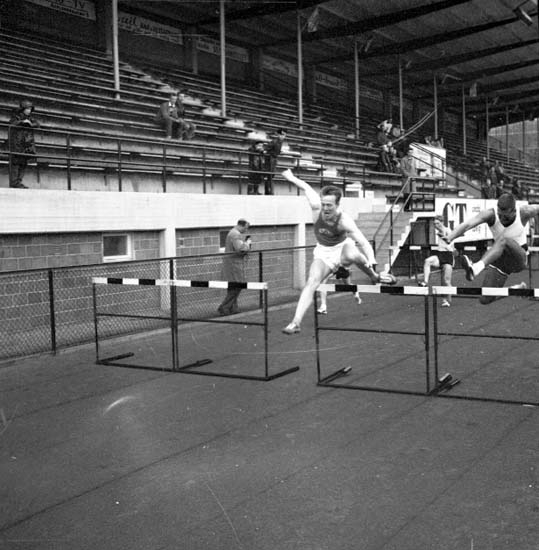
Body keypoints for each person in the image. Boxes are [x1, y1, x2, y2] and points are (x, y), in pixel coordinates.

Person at [280, 169, 397, 334]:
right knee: (312, 281)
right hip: (323, 252)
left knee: (352, 254)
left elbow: (363, 242)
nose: (325, 208)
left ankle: (374, 276)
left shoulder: (344, 221)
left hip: (342, 248)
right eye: (323, 204)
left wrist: (371, 260)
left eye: (329, 205)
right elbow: (306, 187)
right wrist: (291, 177)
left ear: (337, 205)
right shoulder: (316, 208)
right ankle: (296, 322)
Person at [444, 193, 536, 304]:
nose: (502, 219)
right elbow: (467, 225)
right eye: (500, 215)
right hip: (501, 259)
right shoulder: (490, 215)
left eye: (506, 217)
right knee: (485, 299)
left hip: (519, 258)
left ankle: (476, 268)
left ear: (514, 211)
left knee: (503, 239)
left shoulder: (524, 212)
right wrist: (450, 237)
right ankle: (516, 289)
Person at [418, 216, 455, 308]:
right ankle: (425, 282)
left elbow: (449, 243)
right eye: (434, 224)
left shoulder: (447, 230)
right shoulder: (438, 232)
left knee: (446, 280)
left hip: (448, 256)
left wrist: (443, 235)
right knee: (427, 261)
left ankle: (447, 299)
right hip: (440, 254)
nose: (436, 225)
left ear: (442, 222)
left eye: (438, 223)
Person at [217, 219, 252, 316]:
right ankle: (224, 307)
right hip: (234, 265)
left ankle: (233, 308)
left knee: (233, 287)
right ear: (241, 225)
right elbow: (241, 249)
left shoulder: (232, 233)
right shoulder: (235, 234)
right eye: (246, 228)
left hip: (232, 264)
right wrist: (247, 243)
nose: (246, 230)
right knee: (237, 286)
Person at [8, 98, 40, 189]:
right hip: (17, 143)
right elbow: (12, 124)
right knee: (16, 163)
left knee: (23, 163)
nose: (29, 111)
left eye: (30, 109)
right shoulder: (16, 116)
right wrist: (22, 122)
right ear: (23, 109)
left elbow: (37, 124)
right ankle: (14, 182)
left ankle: (19, 182)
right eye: (27, 109)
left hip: (26, 144)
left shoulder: (30, 118)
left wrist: (30, 124)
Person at [263, 128, 287, 195]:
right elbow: (266, 149)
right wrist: (270, 153)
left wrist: (279, 152)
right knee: (269, 175)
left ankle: (269, 191)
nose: (283, 136)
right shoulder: (274, 141)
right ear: (278, 135)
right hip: (270, 159)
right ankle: (269, 191)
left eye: (284, 135)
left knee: (272, 175)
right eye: (282, 135)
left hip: (274, 159)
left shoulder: (280, 142)